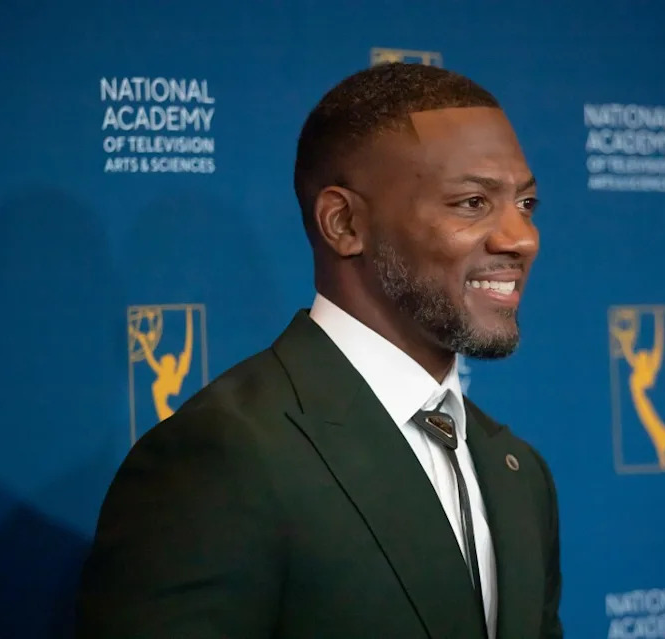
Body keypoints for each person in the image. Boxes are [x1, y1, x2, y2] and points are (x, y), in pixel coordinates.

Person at [77, 62, 562, 639]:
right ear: (343, 222)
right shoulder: (223, 459)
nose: (521, 238)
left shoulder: (518, 473)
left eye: (525, 204)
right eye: (473, 202)